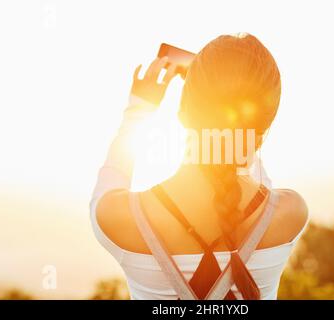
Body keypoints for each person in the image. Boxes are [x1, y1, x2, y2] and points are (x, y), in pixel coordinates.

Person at [90, 33, 308, 300]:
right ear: (263, 131)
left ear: (181, 113)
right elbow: (253, 173)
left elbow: (113, 174)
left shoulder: (120, 217)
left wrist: (138, 109)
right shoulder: (289, 214)